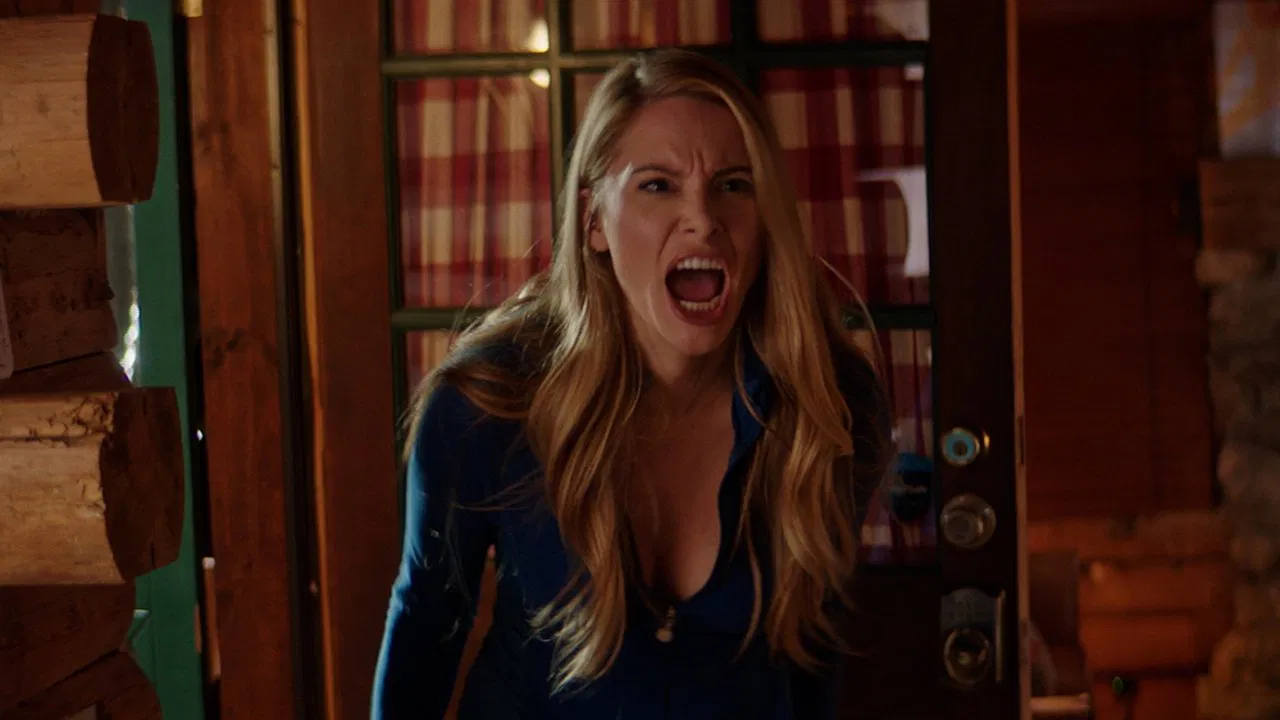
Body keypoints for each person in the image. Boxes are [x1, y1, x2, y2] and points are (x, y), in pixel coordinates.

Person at [372, 48, 891, 719]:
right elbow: (425, 622)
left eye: (734, 185)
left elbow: (814, 653)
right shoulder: (486, 403)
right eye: (658, 185)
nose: (703, 218)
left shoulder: (829, 404)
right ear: (594, 222)